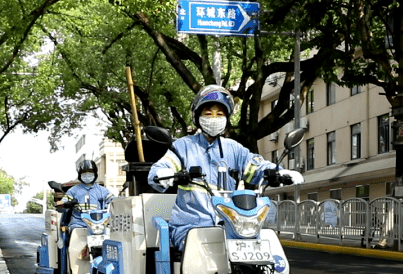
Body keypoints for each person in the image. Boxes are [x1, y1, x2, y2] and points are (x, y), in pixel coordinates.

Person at [147, 85, 303, 249]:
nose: (214, 118)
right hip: (190, 228)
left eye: (219, 114)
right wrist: (163, 173)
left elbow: (256, 166)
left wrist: (279, 172)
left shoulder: (234, 149)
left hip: (232, 227)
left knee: (264, 250)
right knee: (197, 255)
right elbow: (163, 166)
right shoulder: (183, 146)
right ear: (197, 116)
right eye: (208, 113)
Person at [59, 158, 115, 233]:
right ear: (80, 174)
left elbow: (114, 199)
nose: (87, 174)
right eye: (84, 172)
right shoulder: (73, 190)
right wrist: (68, 203)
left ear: (95, 173)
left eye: (90, 171)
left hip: (99, 225)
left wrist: (119, 201)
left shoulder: (102, 190)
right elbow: (63, 202)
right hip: (78, 225)